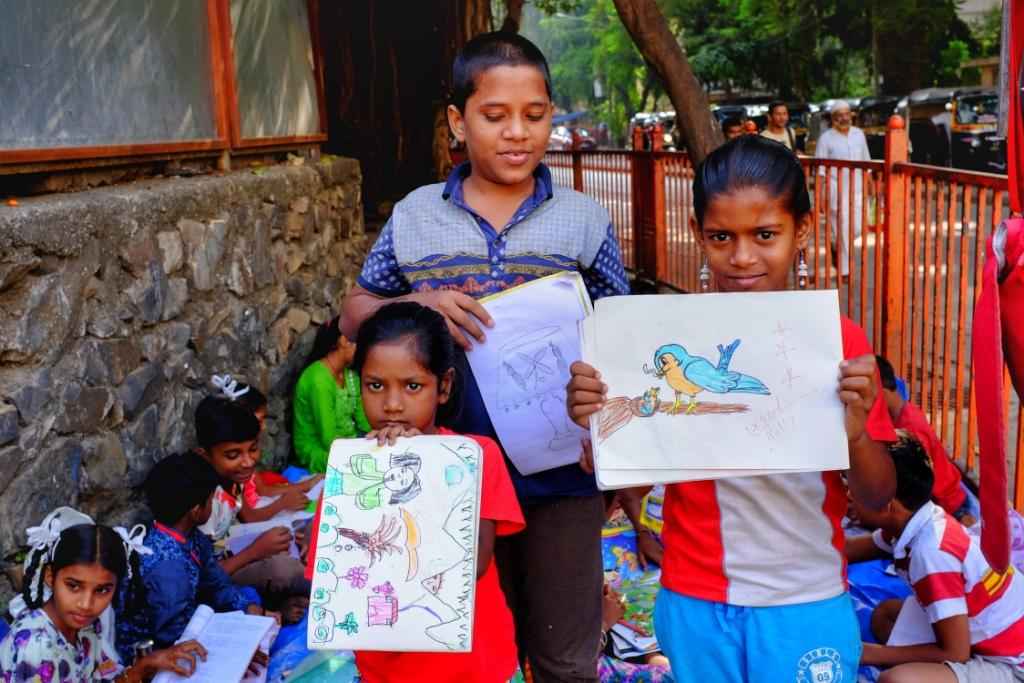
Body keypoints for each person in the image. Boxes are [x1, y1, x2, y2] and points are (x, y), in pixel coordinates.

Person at [339, 31, 629, 682]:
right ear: (457, 121)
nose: (516, 133)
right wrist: (417, 300)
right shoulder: (416, 216)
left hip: (563, 475)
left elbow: (623, 328)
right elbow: (354, 310)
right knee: (459, 651)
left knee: (563, 655)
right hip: (444, 478)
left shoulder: (584, 219)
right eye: (494, 116)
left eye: (535, 114)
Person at [567, 135, 898, 683]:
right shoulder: (660, 341)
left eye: (765, 235)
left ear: (804, 231)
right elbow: (625, 482)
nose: (742, 257)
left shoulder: (839, 342)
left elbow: (877, 497)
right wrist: (603, 430)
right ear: (699, 235)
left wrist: (858, 435)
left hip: (805, 596)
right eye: (722, 237)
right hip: (695, 597)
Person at [304, 302, 525, 682]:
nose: (392, 405)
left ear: (444, 387)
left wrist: (422, 462)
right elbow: (333, 575)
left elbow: (475, 561)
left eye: (412, 386)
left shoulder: (476, 457)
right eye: (375, 386)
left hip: (475, 666)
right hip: (388, 670)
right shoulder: (349, 472)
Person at [846, 434, 1024, 682]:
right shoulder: (913, 522)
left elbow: (956, 652)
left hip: (1012, 660)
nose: (848, 495)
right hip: (976, 632)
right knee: (884, 616)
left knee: (896, 680)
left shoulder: (931, 553)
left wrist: (871, 654)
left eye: (855, 488)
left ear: (888, 505)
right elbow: (847, 551)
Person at [0, 507, 208, 682]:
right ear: (50, 577)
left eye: (102, 590)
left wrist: (145, 665)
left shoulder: (85, 624)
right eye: (73, 586)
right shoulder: (38, 648)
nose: (86, 603)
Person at [116, 453, 275, 665]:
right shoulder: (167, 567)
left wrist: (250, 609)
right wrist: (231, 650)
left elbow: (216, 582)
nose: (214, 504)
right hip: (154, 652)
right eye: (211, 499)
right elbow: (173, 636)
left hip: (188, 618)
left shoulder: (192, 536)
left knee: (249, 598)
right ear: (195, 510)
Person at [191, 396, 310, 598]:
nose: (248, 462)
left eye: (253, 449)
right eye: (232, 455)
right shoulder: (201, 504)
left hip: (239, 549)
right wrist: (256, 551)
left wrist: (285, 537)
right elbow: (202, 578)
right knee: (284, 570)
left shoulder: (233, 480)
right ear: (205, 455)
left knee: (307, 530)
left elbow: (248, 518)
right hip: (226, 569)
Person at [875, 356, 973, 523]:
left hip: (949, 505)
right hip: (944, 498)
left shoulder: (911, 429)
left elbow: (921, 484)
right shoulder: (904, 412)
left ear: (882, 393)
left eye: (866, 396)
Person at [212, 374, 324, 510]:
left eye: (253, 449)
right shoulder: (233, 470)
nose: (264, 426)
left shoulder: (244, 459)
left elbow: (262, 489)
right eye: (259, 420)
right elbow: (249, 515)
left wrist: (305, 485)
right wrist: (282, 503)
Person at [292, 319, 370, 474]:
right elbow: (328, 438)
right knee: (358, 466)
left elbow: (363, 419)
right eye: (360, 344)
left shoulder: (350, 374)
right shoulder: (318, 379)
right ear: (343, 340)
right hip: (319, 450)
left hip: (347, 443)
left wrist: (376, 437)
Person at [816, 99, 871, 279]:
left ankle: (835, 246)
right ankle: (845, 270)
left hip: (858, 190)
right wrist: (820, 196)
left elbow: (867, 163)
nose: (844, 118)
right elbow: (820, 170)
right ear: (833, 118)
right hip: (836, 192)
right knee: (843, 228)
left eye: (847, 114)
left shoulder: (859, 134)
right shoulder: (825, 139)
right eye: (840, 115)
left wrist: (870, 185)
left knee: (858, 228)